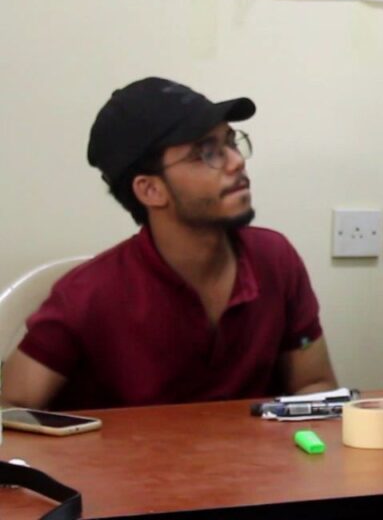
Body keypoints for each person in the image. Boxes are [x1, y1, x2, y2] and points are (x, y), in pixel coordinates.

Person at [0, 77, 337, 411]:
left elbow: (313, 385)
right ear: (150, 190)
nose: (236, 161)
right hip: (132, 449)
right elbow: (10, 408)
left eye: (231, 142)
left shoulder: (274, 259)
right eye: (206, 152)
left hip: (253, 448)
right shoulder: (88, 295)